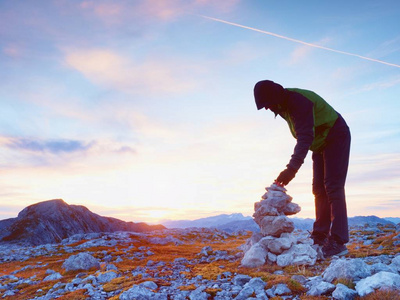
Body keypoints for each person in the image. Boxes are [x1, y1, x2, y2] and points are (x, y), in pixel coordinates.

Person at [254, 80, 351, 258]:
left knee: (333, 186)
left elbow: (305, 137)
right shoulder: (283, 106)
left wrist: (291, 170)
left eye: (267, 104)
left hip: (336, 134)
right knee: (318, 189)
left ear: (273, 97)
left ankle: (338, 241)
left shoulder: (298, 102)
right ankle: (320, 236)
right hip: (320, 143)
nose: (267, 109)